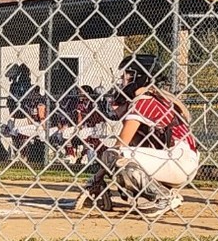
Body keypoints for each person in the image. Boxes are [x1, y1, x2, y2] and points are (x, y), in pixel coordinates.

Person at [75, 54, 200, 219]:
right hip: (180, 160)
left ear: (139, 77)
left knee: (114, 155)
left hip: (178, 160)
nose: (122, 80)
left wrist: (95, 179)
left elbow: (120, 146)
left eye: (127, 75)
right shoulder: (154, 98)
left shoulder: (144, 101)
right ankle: (162, 192)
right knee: (123, 154)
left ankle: (162, 197)